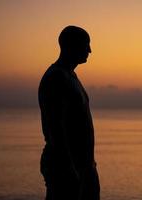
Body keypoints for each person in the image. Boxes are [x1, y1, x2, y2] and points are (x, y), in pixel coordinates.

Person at [38, 25, 100, 200]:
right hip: (68, 166)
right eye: (86, 44)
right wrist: (69, 168)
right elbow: (55, 128)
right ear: (71, 45)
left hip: (82, 165)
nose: (90, 50)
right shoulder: (57, 78)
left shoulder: (69, 75)